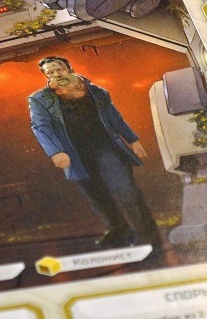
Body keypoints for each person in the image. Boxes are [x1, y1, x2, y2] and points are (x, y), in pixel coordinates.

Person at [28, 56, 161, 248]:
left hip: (105, 147)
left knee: (125, 191)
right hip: (75, 154)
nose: (57, 74)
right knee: (97, 195)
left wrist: (132, 139)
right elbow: (40, 127)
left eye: (60, 69)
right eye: (51, 72)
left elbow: (114, 117)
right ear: (46, 76)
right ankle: (120, 232)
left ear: (70, 69)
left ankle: (147, 236)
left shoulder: (96, 91)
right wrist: (55, 151)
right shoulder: (39, 100)